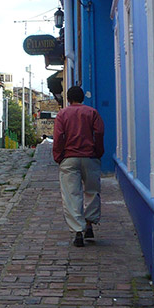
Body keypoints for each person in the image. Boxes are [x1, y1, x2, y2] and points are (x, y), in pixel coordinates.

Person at [52, 86, 104, 247]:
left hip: (69, 158)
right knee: (92, 191)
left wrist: (58, 155)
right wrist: (98, 151)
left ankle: (78, 231)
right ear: (82, 98)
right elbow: (100, 133)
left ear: (68, 99)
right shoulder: (92, 113)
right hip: (89, 157)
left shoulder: (62, 114)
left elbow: (58, 136)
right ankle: (89, 224)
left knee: (71, 194)